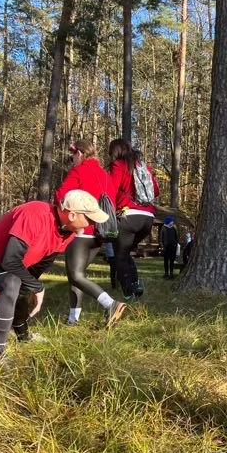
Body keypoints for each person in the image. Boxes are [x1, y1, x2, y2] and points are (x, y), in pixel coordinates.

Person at [0, 190, 108, 367]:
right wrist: (38, 287)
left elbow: (32, 273)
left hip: (7, 269)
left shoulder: (66, 234)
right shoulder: (35, 214)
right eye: (89, 219)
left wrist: (32, 286)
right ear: (72, 214)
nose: (91, 225)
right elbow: (10, 261)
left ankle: (24, 336)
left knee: (21, 285)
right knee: (13, 281)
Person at [54, 140, 126, 326]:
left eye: (73, 156)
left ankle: (110, 304)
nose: (72, 160)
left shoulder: (79, 171)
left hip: (81, 229)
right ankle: (73, 319)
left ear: (80, 153)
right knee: (75, 275)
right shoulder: (105, 175)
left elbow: (63, 196)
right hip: (100, 233)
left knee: (76, 275)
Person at [107, 138, 159, 302]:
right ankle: (135, 285)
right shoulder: (144, 167)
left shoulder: (119, 165)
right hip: (148, 219)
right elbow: (155, 191)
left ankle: (129, 294)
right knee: (126, 251)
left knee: (120, 255)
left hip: (129, 216)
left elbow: (111, 190)